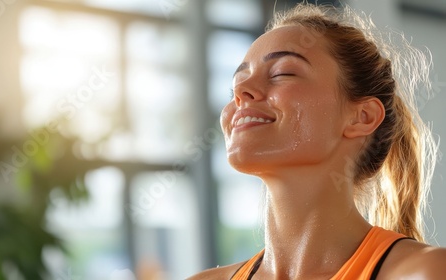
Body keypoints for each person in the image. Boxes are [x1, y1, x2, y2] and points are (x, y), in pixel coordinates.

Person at [188, 3, 446, 280]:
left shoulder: (425, 271)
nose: (240, 92)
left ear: (362, 117)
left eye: (281, 73)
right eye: (236, 84)